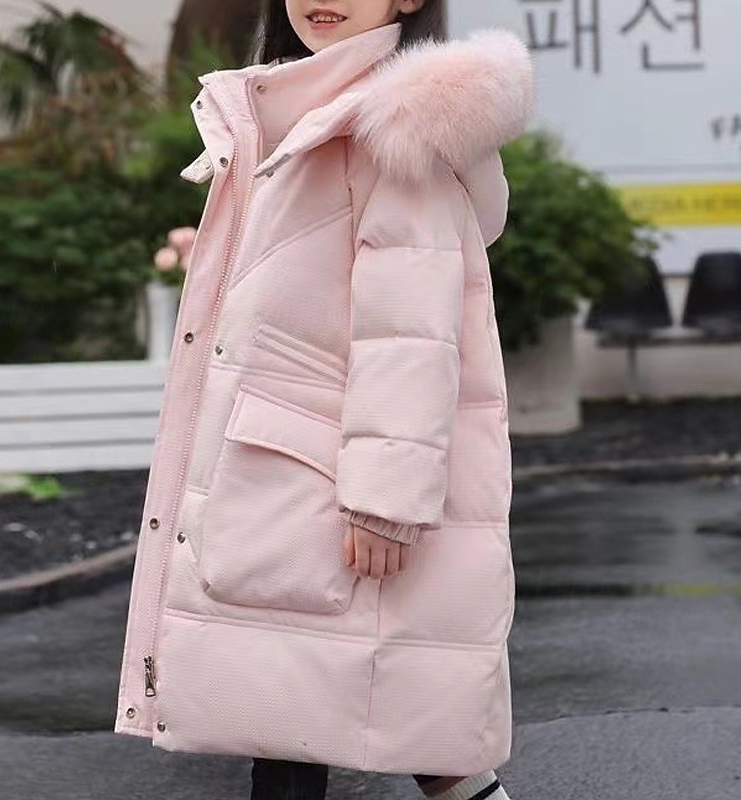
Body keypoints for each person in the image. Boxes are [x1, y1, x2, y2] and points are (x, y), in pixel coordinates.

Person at [113, 2, 534, 799]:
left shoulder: (392, 126)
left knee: (307, 717)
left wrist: (386, 499)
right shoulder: (299, 109)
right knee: (333, 708)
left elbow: (410, 330)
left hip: (326, 482)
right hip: (283, 471)